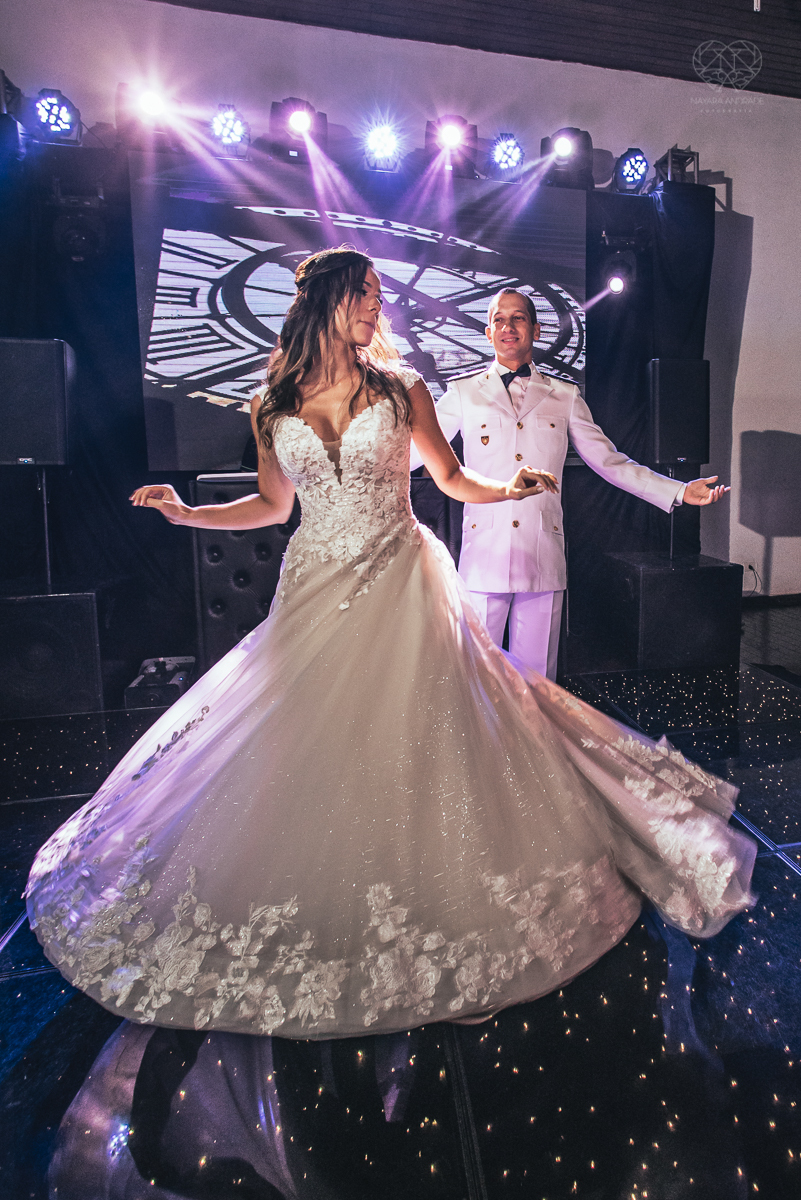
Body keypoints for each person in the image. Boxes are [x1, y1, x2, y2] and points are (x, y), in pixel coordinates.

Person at [25, 248, 753, 1043]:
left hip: (401, 576)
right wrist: (189, 516)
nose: (379, 309)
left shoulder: (401, 388)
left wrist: (504, 488)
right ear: (329, 302)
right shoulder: (269, 404)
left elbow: (446, 478)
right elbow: (272, 508)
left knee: (426, 731)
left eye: (378, 297)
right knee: (305, 738)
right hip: (315, 586)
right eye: (367, 296)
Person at [429, 288, 729, 679]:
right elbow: (414, 451)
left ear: (536, 330)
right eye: (499, 319)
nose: (508, 327)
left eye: (518, 318)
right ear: (488, 333)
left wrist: (677, 490)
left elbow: (609, 461)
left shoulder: (564, 395)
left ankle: (536, 742)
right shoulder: (463, 393)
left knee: (539, 681)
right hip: (484, 552)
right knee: (476, 677)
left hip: (543, 552)